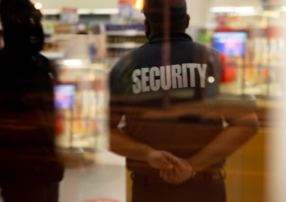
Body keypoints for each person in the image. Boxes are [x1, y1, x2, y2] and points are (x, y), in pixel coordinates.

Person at [109, 0, 259, 201]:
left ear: (146, 25)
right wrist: (192, 165)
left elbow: (103, 130)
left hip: (150, 190)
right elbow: (247, 123)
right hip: (205, 188)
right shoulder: (217, 61)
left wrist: (150, 155)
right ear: (187, 21)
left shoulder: (125, 67)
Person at [0, 0, 64, 201]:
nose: (34, 25)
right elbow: (0, 132)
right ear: (9, 24)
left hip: (50, 169)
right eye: (27, 19)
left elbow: (56, 109)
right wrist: (37, 162)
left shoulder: (43, 64)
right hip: (22, 176)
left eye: (36, 19)